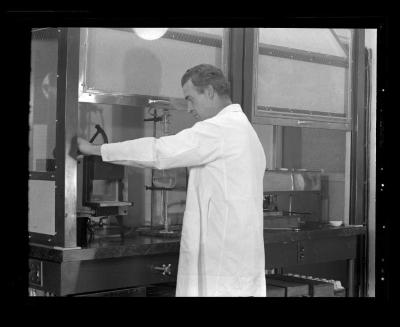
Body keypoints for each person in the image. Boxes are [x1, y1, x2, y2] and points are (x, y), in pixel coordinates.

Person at [77, 64, 267, 297]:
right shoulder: (246, 132)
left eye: (190, 99)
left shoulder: (220, 130)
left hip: (222, 263)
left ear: (209, 91)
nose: (188, 108)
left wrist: (95, 149)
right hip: (238, 260)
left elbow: (159, 152)